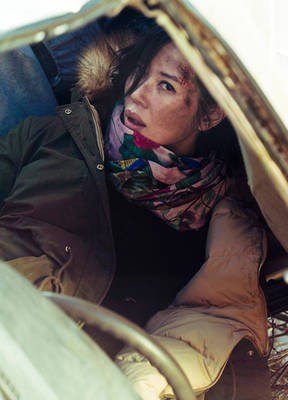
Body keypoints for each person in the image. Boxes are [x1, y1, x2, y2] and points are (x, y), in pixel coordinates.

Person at [0, 23, 270, 400]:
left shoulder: (223, 225)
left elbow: (222, 337)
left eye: (166, 86)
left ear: (210, 115)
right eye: (138, 75)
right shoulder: (54, 136)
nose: (136, 96)